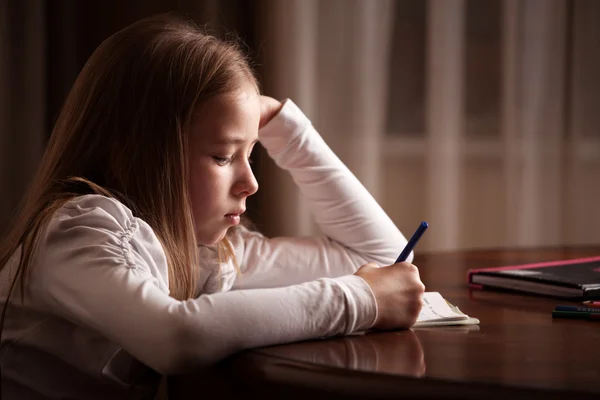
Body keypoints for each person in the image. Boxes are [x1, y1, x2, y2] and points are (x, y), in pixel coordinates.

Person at [0, 13, 425, 400]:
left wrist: (279, 121)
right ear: (135, 152)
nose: (251, 183)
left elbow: (381, 257)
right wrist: (360, 299)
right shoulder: (78, 231)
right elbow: (175, 336)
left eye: (250, 154)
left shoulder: (206, 252)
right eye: (223, 156)